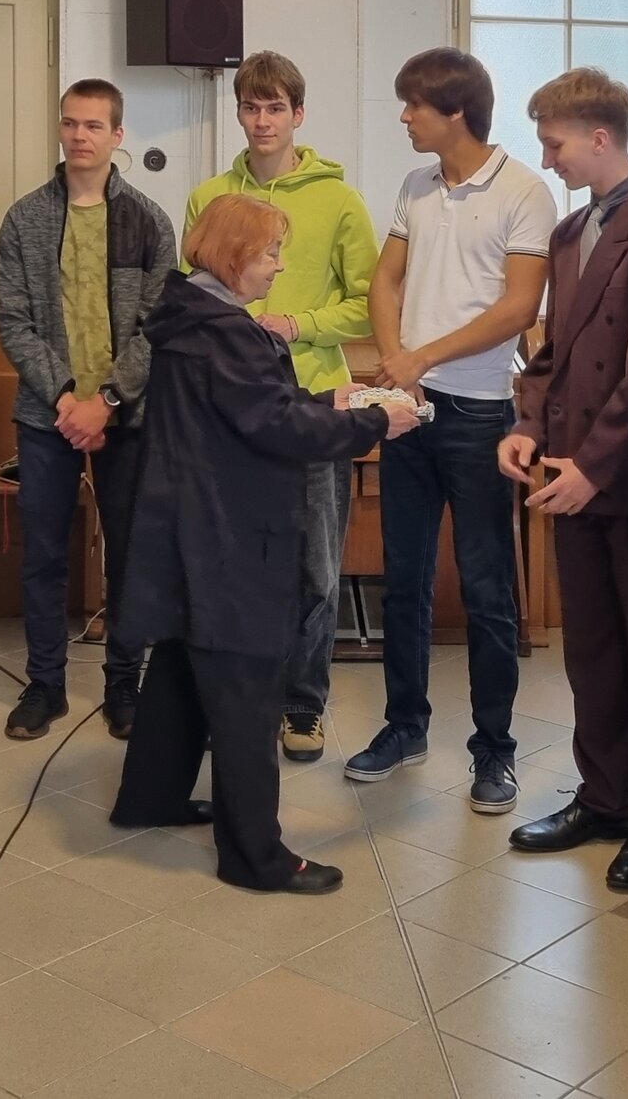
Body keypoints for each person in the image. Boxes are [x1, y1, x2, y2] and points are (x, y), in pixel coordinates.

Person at [110, 193, 417, 892]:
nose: (278, 266)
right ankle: (256, 857)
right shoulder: (227, 333)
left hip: (188, 523)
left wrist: (333, 400)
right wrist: (375, 424)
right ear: (233, 256)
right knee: (247, 692)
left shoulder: (190, 316)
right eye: (271, 252)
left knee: (181, 664)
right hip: (227, 534)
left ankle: (149, 798)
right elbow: (276, 429)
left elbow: (254, 410)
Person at [343, 47, 558, 815]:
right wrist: (398, 363)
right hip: (409, 409)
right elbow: (385, 279)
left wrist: (422, 356)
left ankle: (494, 749)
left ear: (456, 111)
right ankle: (404, 726)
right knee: (403, 579)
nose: (404, 116)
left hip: (478, 415)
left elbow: (518, 307)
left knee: (487, 586)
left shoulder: (524, 191)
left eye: (414, 105)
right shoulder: (417, 185)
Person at [501, 68, 628, 893]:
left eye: (554, 145)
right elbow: (550, 350)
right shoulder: (569, 231)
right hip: (568, 470)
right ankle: (605, 795)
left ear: (599, 137)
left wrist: (595, 465)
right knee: (591, 652)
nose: (548, 160)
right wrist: (527, 425)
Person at [185, 51, 379, 764]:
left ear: (299, 114)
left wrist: (298, 325)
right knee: (231, 562)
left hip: (313, 402)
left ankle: (303, 703)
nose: (262, 120)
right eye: (250, 106)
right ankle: (239, 699)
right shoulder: (210, 196)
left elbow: (369, 303)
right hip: (231, 408)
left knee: (314, 567)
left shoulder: (339, 200)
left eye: (275, 107)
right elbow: (189, 297)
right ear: (237, 112)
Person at [0, 78, 176, 741]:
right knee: (44, 555)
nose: (79, 135)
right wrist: (67, 399)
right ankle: (45, 684)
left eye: (94, 125)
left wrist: (106, 400)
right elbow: (13, 321)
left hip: (129, 415)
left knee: (130, 555)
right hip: (48, 414)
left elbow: (157, 326)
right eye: (71, 123)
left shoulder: (149, 221)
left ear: (117, 135)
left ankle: (124, 683)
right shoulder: (24, 219)